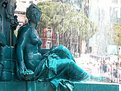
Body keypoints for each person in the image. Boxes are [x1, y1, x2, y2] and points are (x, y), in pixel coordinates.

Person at [16, 4, 89, 84]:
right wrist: (21, 66)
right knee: (69, 64)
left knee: (61, 49)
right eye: (34, 14)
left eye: (37, 14)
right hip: (35, 66)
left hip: (40, 60)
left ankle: (76, 73)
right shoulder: (26, 30)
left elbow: (38, 50)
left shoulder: (34, 31)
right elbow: (19, 47)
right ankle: (86, 77)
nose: (37, 16)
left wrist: (52, 50)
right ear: (30, 15)